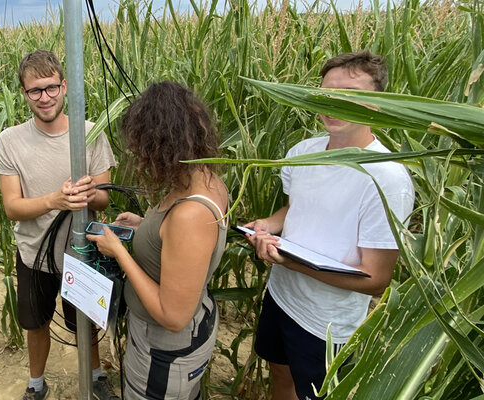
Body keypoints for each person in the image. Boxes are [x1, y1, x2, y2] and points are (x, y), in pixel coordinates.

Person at [243, 50, 415, 400]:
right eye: (326, 94)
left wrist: (289, 262)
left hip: (327, 324)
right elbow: (294, 208)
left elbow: (376, 279)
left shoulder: (386, 177)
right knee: (280, 373)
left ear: (376, 104)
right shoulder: (302, 151)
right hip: (281, 296)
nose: (332, 104)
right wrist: (268, 224)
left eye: (349, 95)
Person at [87, 81, 229, 400]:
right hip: (183, 335)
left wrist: (118, 252)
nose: (138, 157)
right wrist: (143, 227)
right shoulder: (206, 179)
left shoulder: (190, 214)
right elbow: (177, 247)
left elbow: (173, 315)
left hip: (165, 350)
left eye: (141, 148)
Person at [0, 49, 118, 400]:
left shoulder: (90, 134)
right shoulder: (10, 141)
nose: (44, 98)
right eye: (35, 91)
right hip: (34, 253)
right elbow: (12, 207)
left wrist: (92, 194)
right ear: (24, 94)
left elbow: (106, 198)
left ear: (64, 87)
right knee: (36, 323)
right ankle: (36, 384)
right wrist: (54, 201)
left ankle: (94, 376)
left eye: (50, 88)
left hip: (82, 251)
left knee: (85, 321)